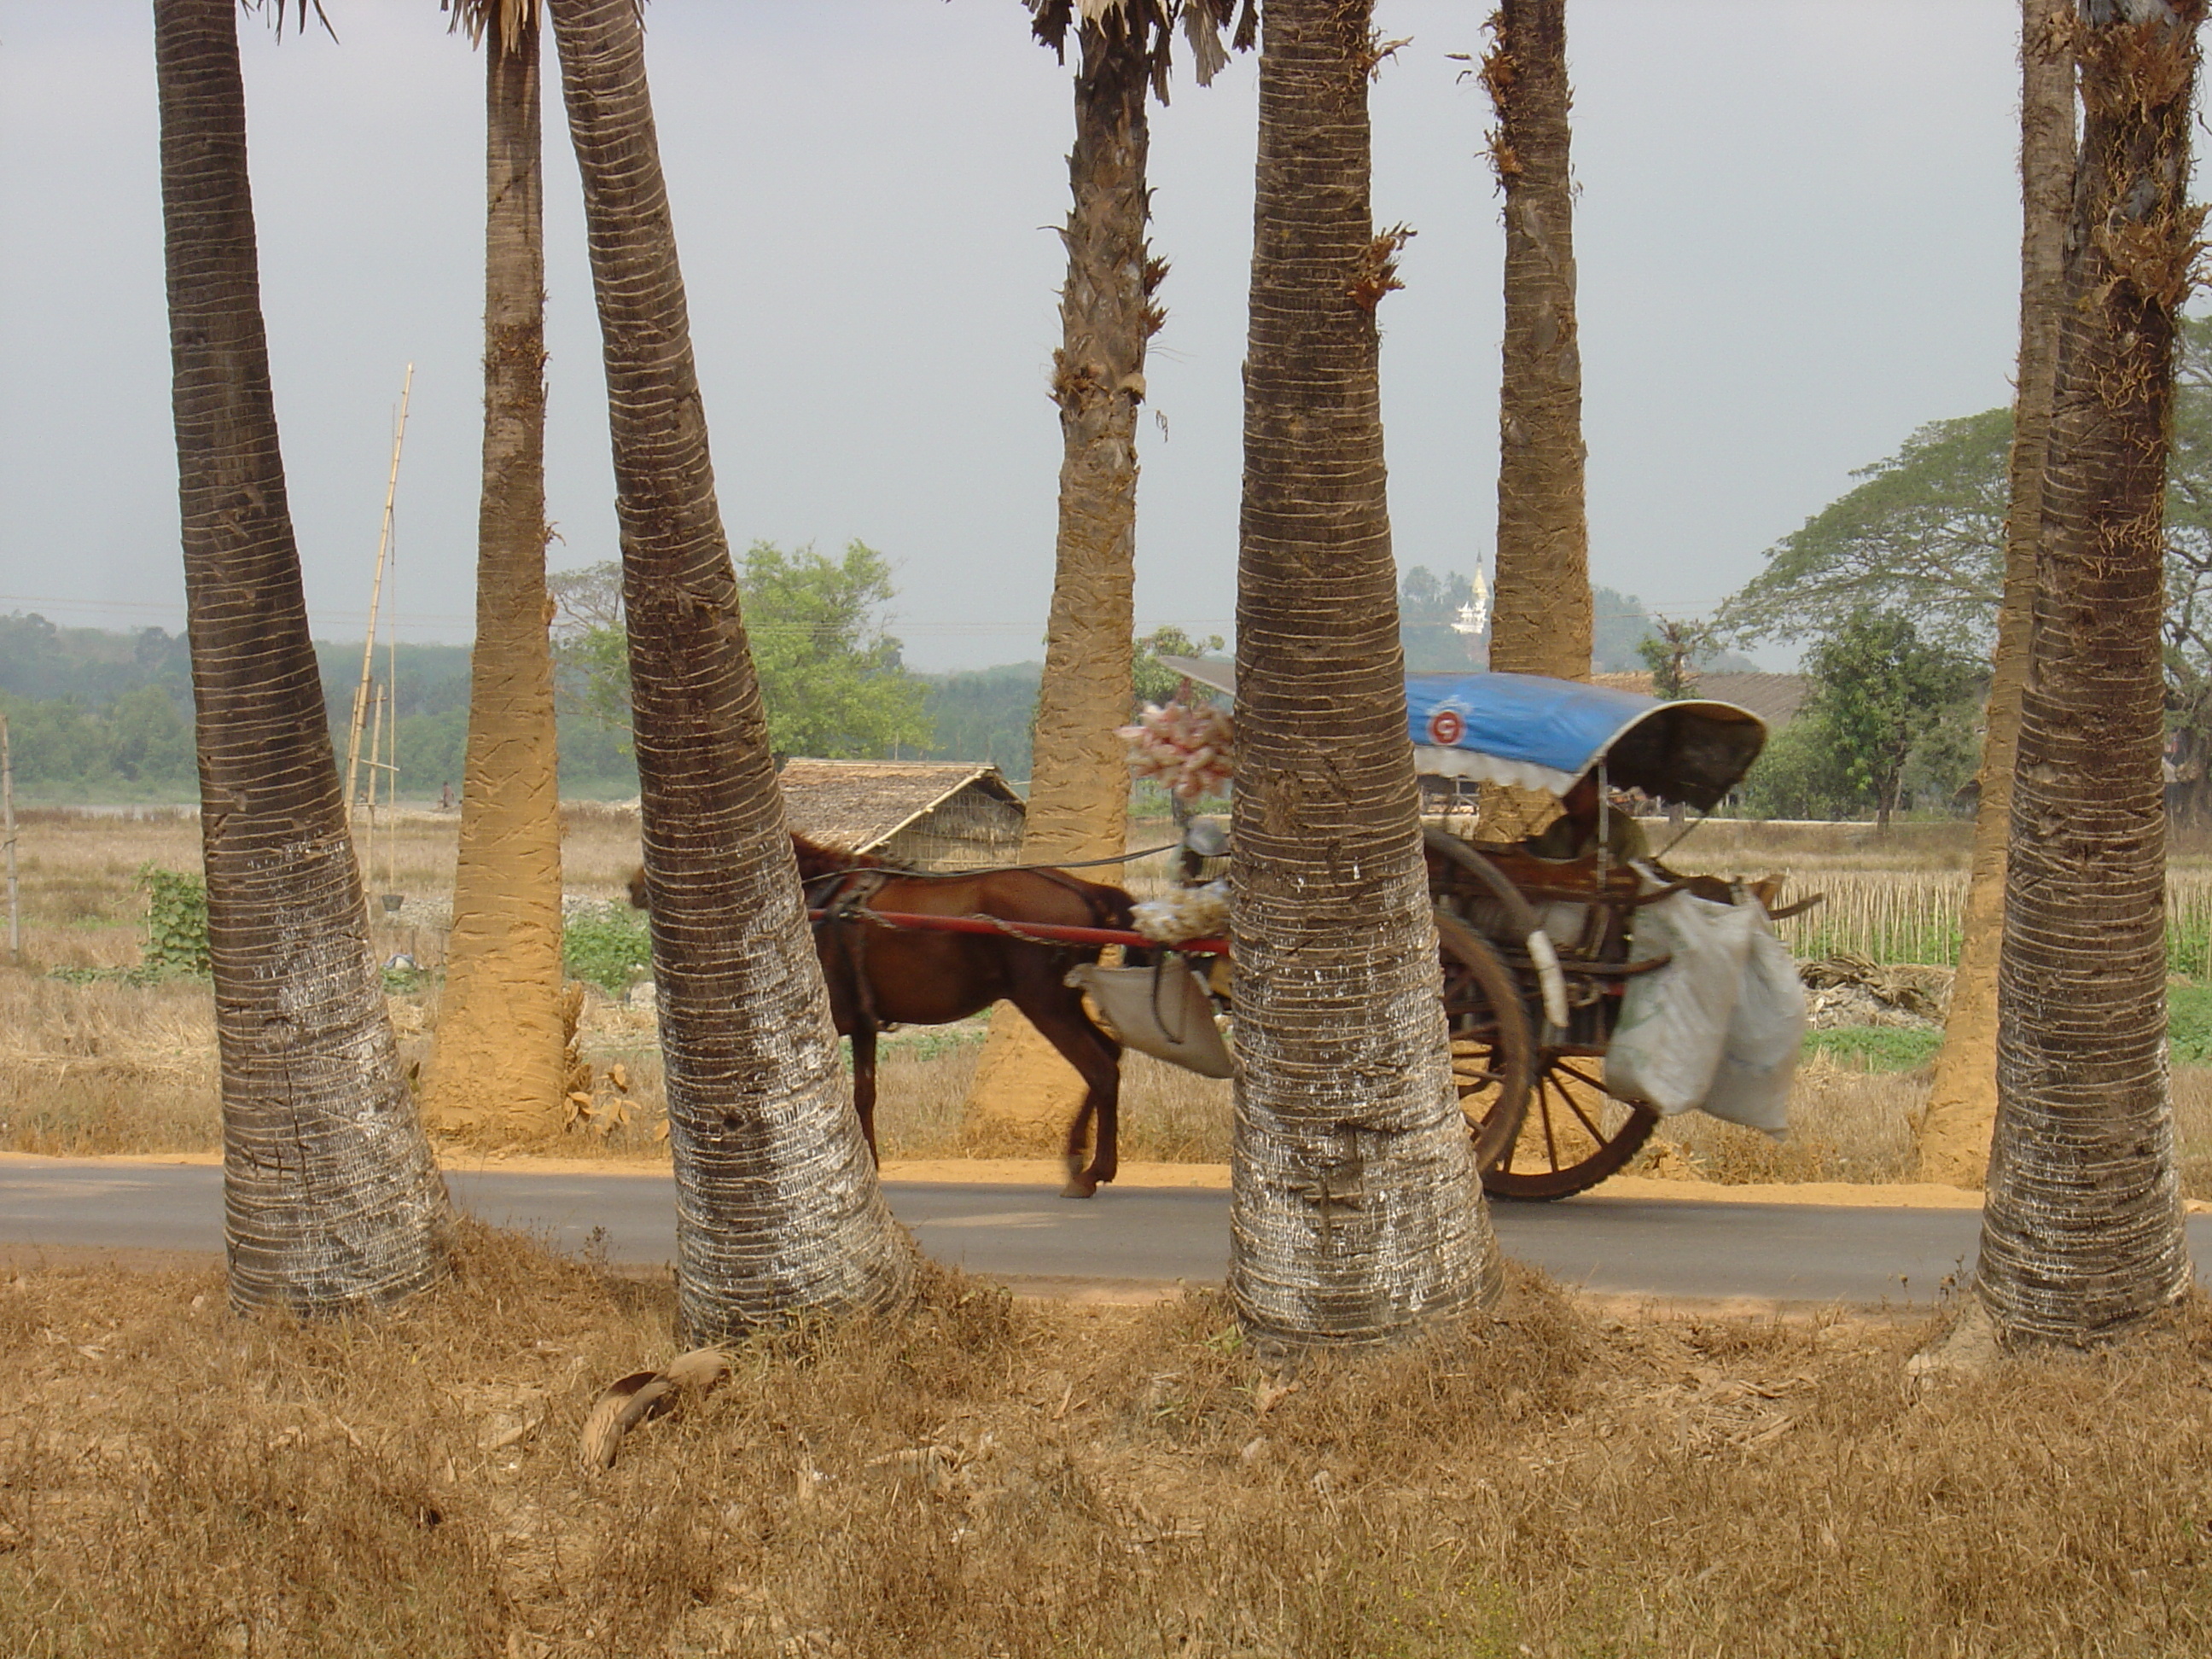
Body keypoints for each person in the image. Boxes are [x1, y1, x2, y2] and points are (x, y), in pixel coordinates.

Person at [1523, 770, 1649, 865]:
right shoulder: (1557, 829)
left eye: (1579, 787)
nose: (1571, 795)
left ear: (1597, 787)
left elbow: (1637, 881)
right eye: (1565, 789)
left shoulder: (1624, 833)